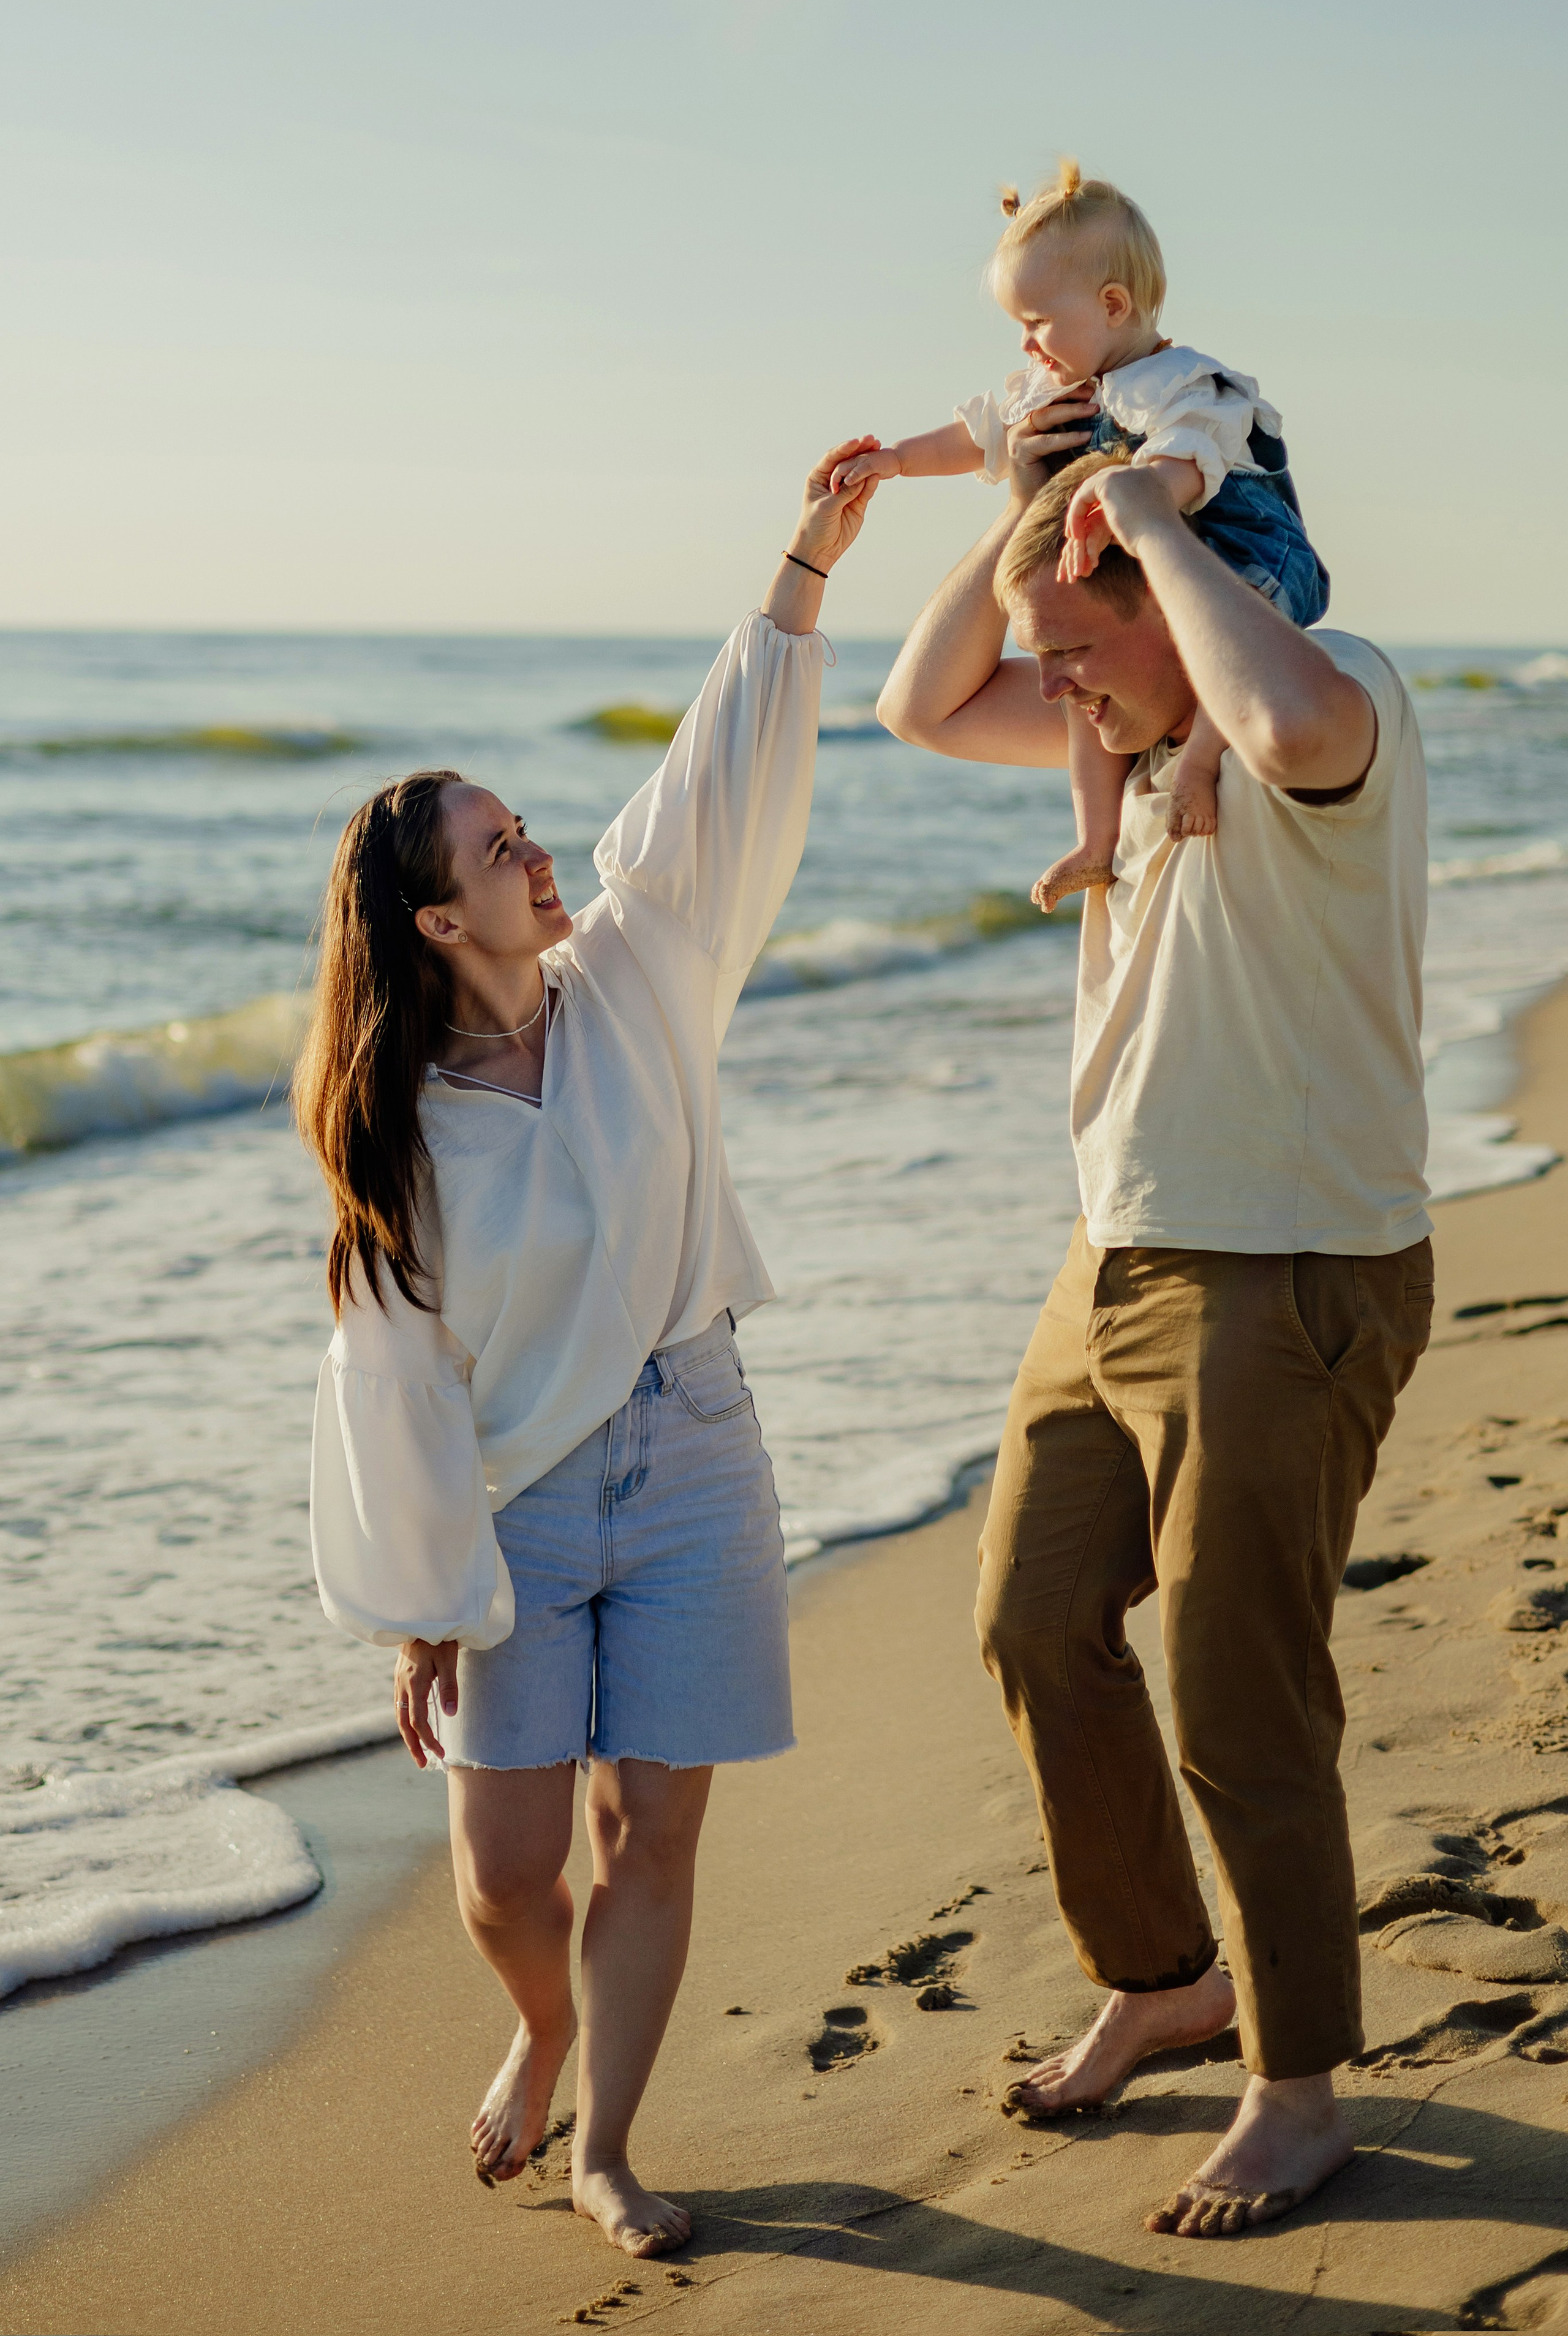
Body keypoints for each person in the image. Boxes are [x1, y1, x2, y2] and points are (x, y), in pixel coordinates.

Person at [294, 439, 881, 2259]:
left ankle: (606, 2144)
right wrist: (420, 1601)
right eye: (498, 848)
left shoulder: (643, 965)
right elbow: (391, 1378)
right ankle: (539, 2026)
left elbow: (724, 764)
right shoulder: (399, 1132)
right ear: (436, 919)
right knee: (504, 1874)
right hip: (519, 1506)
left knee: (653, 1838)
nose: (536, 851)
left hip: (696, 1444)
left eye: (524, 826)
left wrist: (804, 561)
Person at [876, 420, 1434, 2237]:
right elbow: (914, 702)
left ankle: (1296, 2082)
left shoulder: (1324, 698)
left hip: (1282, 1266)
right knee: (1035, 1621)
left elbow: (1273, 721)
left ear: (1171, 597)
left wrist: (1145, 523)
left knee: (1232, 1687)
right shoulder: (1122, 741)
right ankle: (1164, 1975)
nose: (1048, 684)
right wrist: (1024, 523)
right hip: (1109, 1253)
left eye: (1073, 644)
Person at [835, 158, 1329, 911]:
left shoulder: (1185, 386)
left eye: (1036, 322)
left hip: (1236, 555)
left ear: (1112, 304)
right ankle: (1096, 839)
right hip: (1128, 557)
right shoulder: (1056, 391)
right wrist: (899, 460)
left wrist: (1132, 503)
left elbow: (1183, 464)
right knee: (1076, 677)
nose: (1025, 344)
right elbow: (977, 434)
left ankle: (1201, 762)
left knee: (1223, 650)